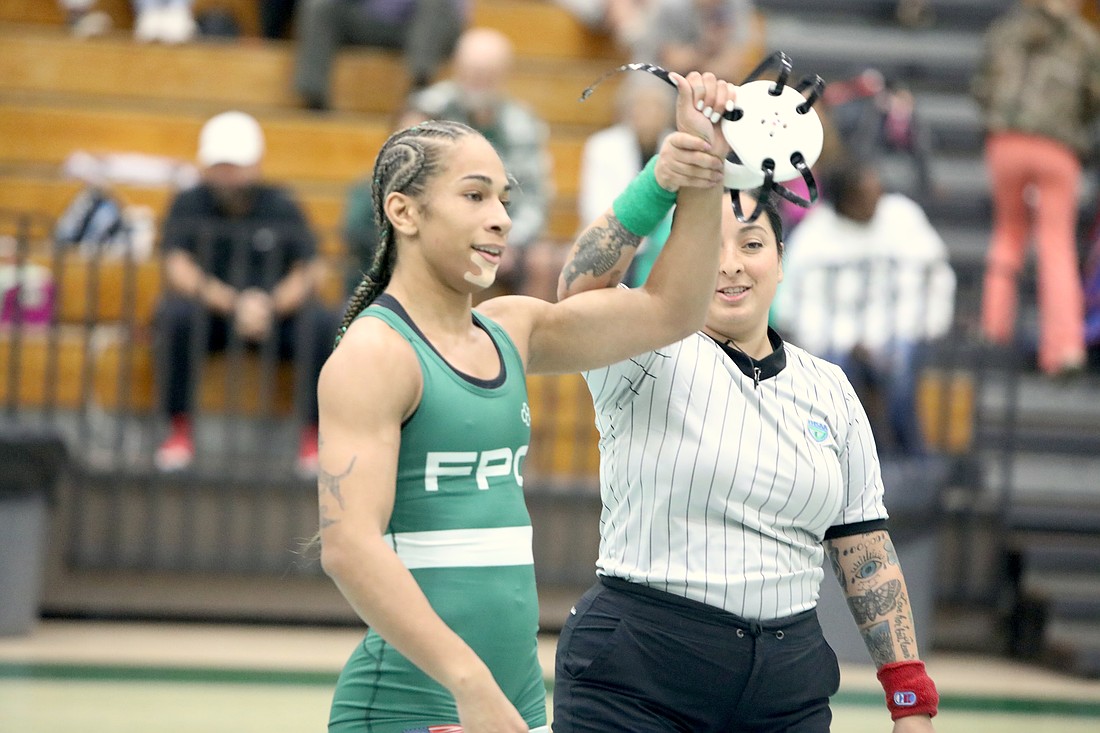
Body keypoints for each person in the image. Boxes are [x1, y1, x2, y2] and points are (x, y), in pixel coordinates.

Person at [315, 72, 734, 732]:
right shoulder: (376, 353)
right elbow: (348, 547)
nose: (502, 218)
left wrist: (694, 170)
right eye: (475, 194)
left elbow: (671, 311)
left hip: (512, 704)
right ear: (405, 212)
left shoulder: (510, 329)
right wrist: (470, 685)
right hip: (412, 705)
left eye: (504, 198)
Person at [553, 140, 939, 729]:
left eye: (752, 244)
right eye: (709, 245)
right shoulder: (642, 347)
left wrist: (909, 696)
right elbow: (577, 294)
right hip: (637, 675)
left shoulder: (831, 388)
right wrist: (662, 178)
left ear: (782, 260)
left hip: (786, 687)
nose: (731, 264)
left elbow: (864, 550)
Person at [153, 111, 336, 475]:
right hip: (213, 315)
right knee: (174, 318)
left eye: (234, 166)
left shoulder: (281, 204)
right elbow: (178, 266)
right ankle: (178, 432)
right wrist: (233, 304)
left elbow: (311, 268)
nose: (226, 175)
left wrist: (269, 306)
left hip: (275, 317)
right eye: (219, 165)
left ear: (254, 165)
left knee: (322, 324)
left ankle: (313, 437)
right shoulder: (188, 203)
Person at [773, 160, 956, 456]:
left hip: (900, 334)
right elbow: (797, 306)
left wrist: (921, 329)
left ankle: (909, 458)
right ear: (843, 201)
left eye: (877, 193)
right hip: (833, 342)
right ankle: (837, 459)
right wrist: (847, 342)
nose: (875, 203)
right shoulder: (814, 236)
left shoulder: (903, 217)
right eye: (864, 197)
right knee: (834, 382)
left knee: (899, 374)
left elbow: (934, 281)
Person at [971, 0, 1100, 378]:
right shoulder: (1085, 39)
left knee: (1008, 234)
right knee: (1055, 243)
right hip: (1058, 148)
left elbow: (982, 87)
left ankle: (993, 330)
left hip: (1005, 142)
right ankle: (1063, 350)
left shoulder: (1005, 29)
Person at [411, 27, 555, 300]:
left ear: (504, 76)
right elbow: (414, 186)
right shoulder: (428, 110)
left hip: (505, 232)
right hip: (443, 228)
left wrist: (505, 239)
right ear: (456, 68)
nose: (477, 81)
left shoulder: (523, 123)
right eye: (471, 71)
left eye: (487, 74)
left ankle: (524, 342)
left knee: (543, 260)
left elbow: (535, 197)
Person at [577, 73, 676, 286]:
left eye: (656, 106)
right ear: (627, 109)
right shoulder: (602, 146)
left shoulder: (677, 147)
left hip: (664, 247)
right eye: (640, 105)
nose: (648, 113)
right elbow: (594, 208)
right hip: (611, 241)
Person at [293, 0, 467, 111]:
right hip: (373, 20)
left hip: (425, 27)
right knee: (320, 5)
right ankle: (313, 97)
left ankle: (419, 92)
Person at [342, 102, 431, 296]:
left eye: (422, 138)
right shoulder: (367, 189)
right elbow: (355, 234)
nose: (414, 146)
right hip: (374, 292)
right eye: (405, 136)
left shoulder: (445, 194)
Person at [631, 0, 756, 84]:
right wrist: (708, 46)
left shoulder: (736, 6)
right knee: (650, 100)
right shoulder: (670, 7)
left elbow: (728, 68)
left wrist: (695, 58)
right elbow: (676, 63)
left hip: (708, 78)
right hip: (660, 74)